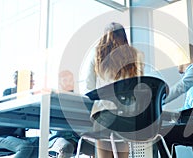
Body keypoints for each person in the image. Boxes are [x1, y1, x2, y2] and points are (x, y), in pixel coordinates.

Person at [83, 22, 144, 158]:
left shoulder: (96, 56)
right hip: (128, 117)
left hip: (104, 116)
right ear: (124, 36)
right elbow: (140, 87)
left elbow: (89, 89)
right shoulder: (135, 56)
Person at [0, 70, 39, 158]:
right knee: (26, 147)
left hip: (17, 137)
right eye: (31, 81)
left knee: (38, 142)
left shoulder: (29, 98)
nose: (33, 84)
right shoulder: (9, 93)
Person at [48, 70, 95, 158]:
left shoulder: (80, 98)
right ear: (60, 82)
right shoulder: (55, 97)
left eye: (70, 80)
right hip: (57, 138)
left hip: (76, 138)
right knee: (67, 147)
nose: (69, 83)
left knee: (99, 148)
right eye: (65, 80)